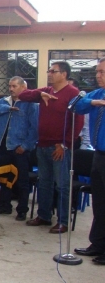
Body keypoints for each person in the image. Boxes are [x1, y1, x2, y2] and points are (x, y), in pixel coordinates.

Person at [19, 61, 84, 234]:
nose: (49, 74)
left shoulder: (73, 94)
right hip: (43, 145)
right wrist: (40, 95)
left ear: (64, 74)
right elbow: (24, 95)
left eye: (53, 71)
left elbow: (77, 124)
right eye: (48, 70)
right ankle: (44, 216)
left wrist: (64, 144)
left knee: (62, 185)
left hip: (60, 147)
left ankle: (63, 221)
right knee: (45, 183)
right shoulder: (47, 91)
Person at [0, 76, 38, 221]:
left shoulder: (30, 104)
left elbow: (34, 129)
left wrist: (26, 146)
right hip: (2, 146)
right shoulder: (4, 101)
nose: (11, 89)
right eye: (10, 86)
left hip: (19, 147)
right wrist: (7, 108)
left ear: (23, 88)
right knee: (4, 178)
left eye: (14, 86)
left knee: (22, 180)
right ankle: (4, 206)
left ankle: (22, 209)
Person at [74, 57, 105, 264]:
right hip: (99, 154)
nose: (98, 76)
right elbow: (76, 105)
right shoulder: (97, 94)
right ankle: (98, 243)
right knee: (99, 203)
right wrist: (94, 102)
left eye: (102, 72)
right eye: (97, 72)